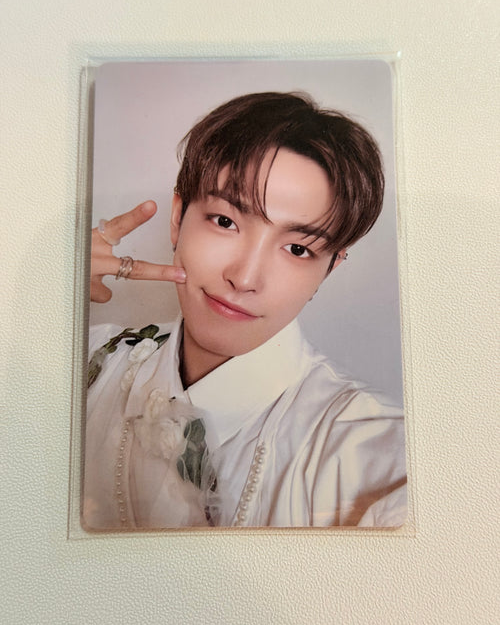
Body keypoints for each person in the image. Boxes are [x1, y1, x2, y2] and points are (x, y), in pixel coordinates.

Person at [83, 91, 407, 531]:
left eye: (298, 249)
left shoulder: (371, 448)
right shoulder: (88, 360)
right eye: (225, 221)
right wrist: (40, 299)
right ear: (178, 217)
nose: (245, 277)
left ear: (330, 268)